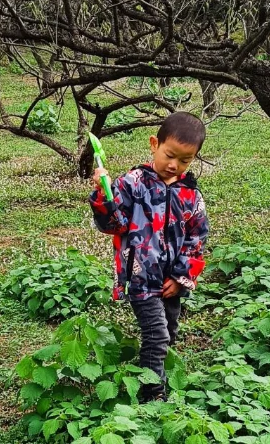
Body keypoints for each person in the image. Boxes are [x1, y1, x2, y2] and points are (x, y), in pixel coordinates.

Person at [89, 110, 210, 401]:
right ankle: (152, 395)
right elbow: (112, 224)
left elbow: (197, 238)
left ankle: (154, 373)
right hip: (141, 278)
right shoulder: (133, 183)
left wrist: (182, 277)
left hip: (171, 282)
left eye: (185, 160)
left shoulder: (190, 194)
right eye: (170, 155)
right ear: (154, 144)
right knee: (157, 335)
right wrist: (104, 195)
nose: (174, 165)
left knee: (168, 331)